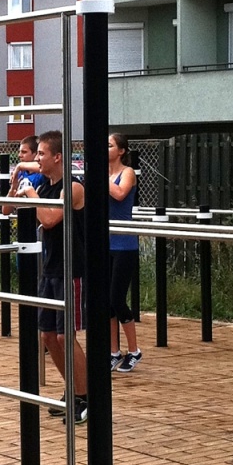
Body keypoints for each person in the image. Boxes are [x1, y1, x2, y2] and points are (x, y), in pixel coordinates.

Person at [15, 130, 88, 424]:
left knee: (64, 335)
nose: (37, 159)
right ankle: (72, 390)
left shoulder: (73, 187)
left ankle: (84, 396)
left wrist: (31, 195)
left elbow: (49, 219)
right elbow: (10, 209)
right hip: (50, 268)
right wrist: (16, 183)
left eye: (42, 153)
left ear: (57, 157)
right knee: (46, 335)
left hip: (72, 269)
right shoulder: (45, 187)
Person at [107, 133, 142, 372]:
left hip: (125, 245)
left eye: (109, 145)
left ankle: (134, 350)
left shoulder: (127, 172)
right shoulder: (104, 175)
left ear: (121, 150)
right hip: (106, 244)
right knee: (106, 302)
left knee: (117, 298)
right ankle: (113, 351)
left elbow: (120, 194)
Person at [2, 135, 45, 216]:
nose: (19, 155)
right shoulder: (21, 173)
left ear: (36, 154)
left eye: (24, 152)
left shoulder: (42, 173)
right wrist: (13, 188)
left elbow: (42, 167)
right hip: (23, 218)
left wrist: (19, 166)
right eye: (19, 152)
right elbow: (5, 211)